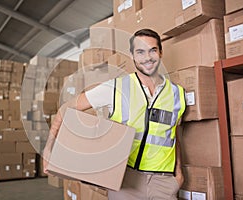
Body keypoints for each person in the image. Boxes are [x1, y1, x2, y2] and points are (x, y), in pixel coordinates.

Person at [43, 28, 186, 199]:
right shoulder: (116, 87)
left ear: (160, 53)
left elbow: (174, 134)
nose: (147, 58)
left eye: (152, 50)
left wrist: (178, 173)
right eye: (140, 52)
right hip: (125, 181)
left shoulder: (177, 94)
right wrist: (49, 149)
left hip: (163, 183)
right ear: (132, 55)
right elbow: (66, 108)